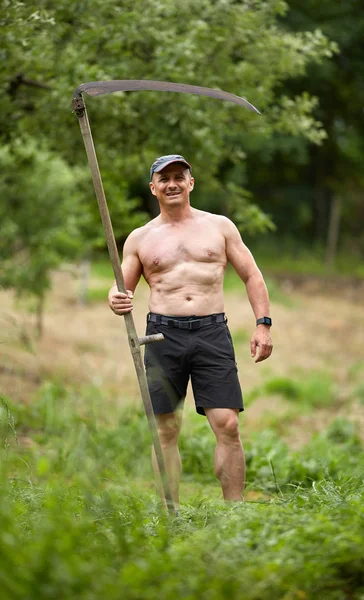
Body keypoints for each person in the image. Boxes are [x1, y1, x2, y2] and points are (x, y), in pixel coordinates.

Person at [108, 154, 273, 508]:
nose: (172, 183)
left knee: (228, 424)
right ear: (153, 188)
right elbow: (122, 285)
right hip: (162, 336)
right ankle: (170, 513)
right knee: (165, 429)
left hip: (212, 334)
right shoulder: (140, 238)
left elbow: (252, 275)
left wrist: (263, 324)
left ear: (190, 183)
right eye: (163, 178)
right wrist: (115, 298)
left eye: (178, 176)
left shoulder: (220, 227)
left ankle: (235, 514)